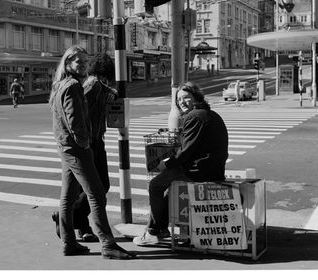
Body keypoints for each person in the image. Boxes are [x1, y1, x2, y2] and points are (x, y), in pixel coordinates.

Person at [49, 45, 135, 259]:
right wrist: (85, 143)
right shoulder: (73, 86)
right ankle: (108, 245)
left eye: (86, 62)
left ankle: (69, 243)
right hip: (78, 148)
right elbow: (75, 121)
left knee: (68, 197)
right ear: (68, 63)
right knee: (96, 195)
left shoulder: (60, 84)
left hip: (67, 146)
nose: (84, 65)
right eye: (79, 61)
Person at [133, 81, 228, 246]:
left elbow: (186, 151)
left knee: (155, 186)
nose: (182, 102)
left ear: (196, 97)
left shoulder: (195, 116)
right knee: (168, 192)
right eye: (179, 100)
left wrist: (166, 163)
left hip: (199, 170)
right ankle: (159, 228)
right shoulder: (209, 114)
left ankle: (154, 231)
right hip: (212, 168)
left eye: (186, 98)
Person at [52, 53, 118, 242]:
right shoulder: (94, 84)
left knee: (78, 189)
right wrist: (84, 142)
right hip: (89, 142)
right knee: (99, 188)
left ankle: (74, 222)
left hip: (93, 140)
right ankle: (75, 221)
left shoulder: (96, 85)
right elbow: (79, 110)